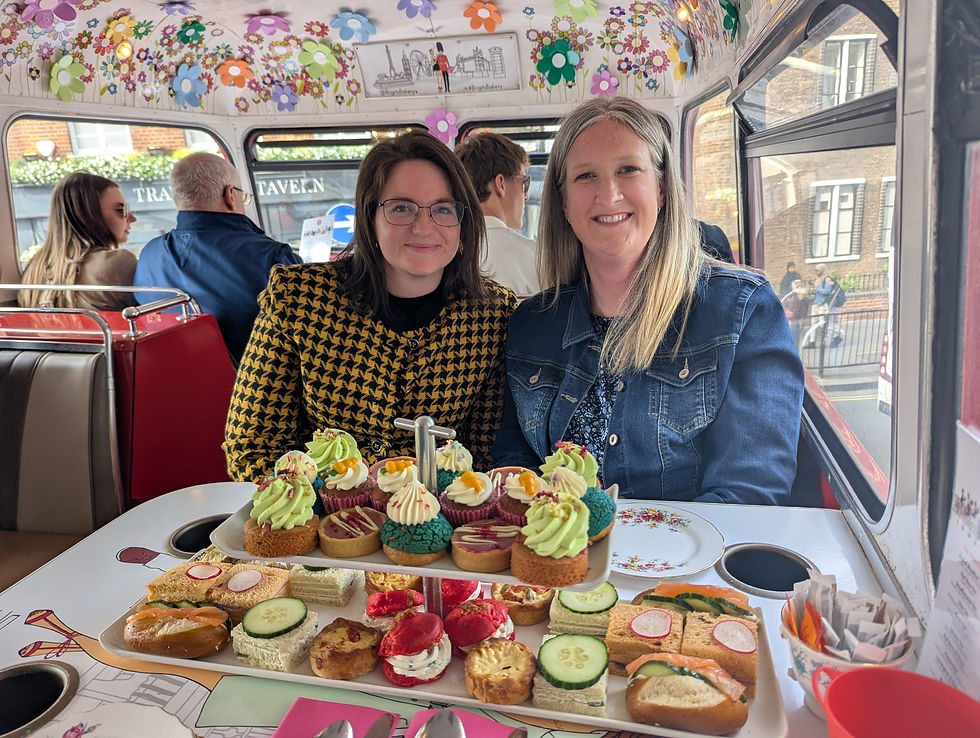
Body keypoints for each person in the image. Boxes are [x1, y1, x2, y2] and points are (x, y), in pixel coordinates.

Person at [492, 97, 804, 505]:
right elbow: (516, 464)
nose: (609, 194)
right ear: (564, 203)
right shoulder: (531, 324)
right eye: (586, 176)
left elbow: (748, 497)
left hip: (681, 567)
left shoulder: (743, 313)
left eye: (627, 169)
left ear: (660, 188)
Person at [224, 130, 517, 481]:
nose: (424, 227)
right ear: (369, 217)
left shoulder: (492, 313)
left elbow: (481, 453)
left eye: (443, 209)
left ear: (463, 222)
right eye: (401, 208)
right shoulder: (298, 299)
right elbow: (252, 446)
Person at [133, 152, 301, 364]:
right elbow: (307, 334)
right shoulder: (271, 257)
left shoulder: (148, 256)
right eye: (244, 197)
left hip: (177, 385)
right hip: (259, 388)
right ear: (230, 195)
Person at [18, 171, 137, 311]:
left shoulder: (34, 267)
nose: (132, 218)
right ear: (91, 216)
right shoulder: (116, 263)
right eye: (120, 210)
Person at [454, 131, 539, 297]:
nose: (526, 195)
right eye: (524, 183)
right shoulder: (537, 259)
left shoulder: (447, 256)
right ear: (500, 184)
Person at [810, 263, 844, 347]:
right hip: (816, 304)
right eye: (815, 270)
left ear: (822, 270)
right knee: (813, 323)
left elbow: (827, 292)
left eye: (817, 270)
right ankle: (812, 342)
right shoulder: (818, 280)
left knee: (825, 324)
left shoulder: (827, 279)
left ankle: (837, 336)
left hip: (823, 304)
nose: (816, 272)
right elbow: (818, 292)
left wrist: (816, 289)